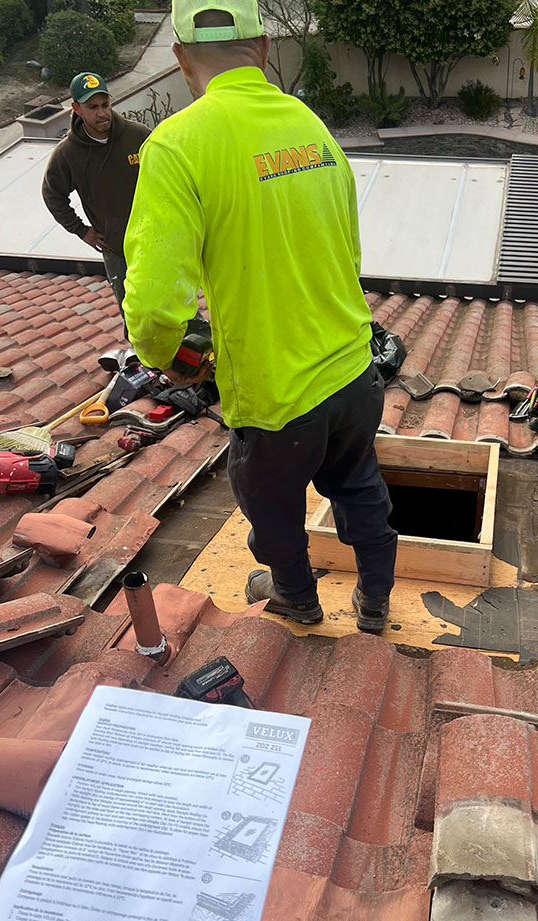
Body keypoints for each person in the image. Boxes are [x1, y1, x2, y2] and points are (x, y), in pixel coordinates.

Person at [121, 0, 398, 633]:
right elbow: (348, 250)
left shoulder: (178, 144)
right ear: (265, 47)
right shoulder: (310, 125)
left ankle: (295, 595)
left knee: (272, 509)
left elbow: (155, 305)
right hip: (354, 371)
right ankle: (375, 602)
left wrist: (170, 358)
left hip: (277, 396)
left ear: (180, 58)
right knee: (359, 485)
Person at [41, 73, 150, 337]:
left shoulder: (138, 136)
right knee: (135, 319)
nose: (102, 113)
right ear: (76, 108)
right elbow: (52, 194)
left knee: (177, 309)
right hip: (117, 250)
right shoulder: (68, 153)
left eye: (105, 105)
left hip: (155, 243)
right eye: (92, 107)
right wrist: (81, 230)